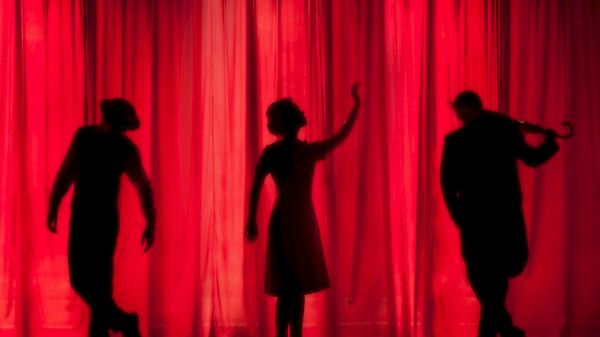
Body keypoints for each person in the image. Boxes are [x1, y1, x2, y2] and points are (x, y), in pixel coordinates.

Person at [440, 91, 560, 337]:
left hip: (476, 221)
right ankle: (506, 330)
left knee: (484, 279)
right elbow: (533, 158)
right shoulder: (505, 131)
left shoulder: (455, 140)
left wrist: (459, 216)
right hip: (503, 220)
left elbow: (448, 185)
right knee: (494, 282)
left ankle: (505, 330)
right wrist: (550, 143)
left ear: (463, 110)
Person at [245, 83, 361, 337]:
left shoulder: (298, 151)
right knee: (291, 284)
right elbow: (254, 187)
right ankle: (283, 334)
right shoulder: (289, 152)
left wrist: (356, 107)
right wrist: (251, 220)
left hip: (299, 221)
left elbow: (339, 138)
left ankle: (294, 333)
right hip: (291, 222)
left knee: (297, 285)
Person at [47, 98, 156, 337]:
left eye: (122, 127)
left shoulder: (125, 148)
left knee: (100, 285)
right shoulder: (84, 137)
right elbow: (66, 173)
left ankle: (106, 330)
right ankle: (124, 321)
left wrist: (151, 221)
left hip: (104, 222)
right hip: (83, 217)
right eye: (118, 125)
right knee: (80, 280)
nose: (120, 131)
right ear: (107, 120)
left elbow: (143, 186)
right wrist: (54, 203)